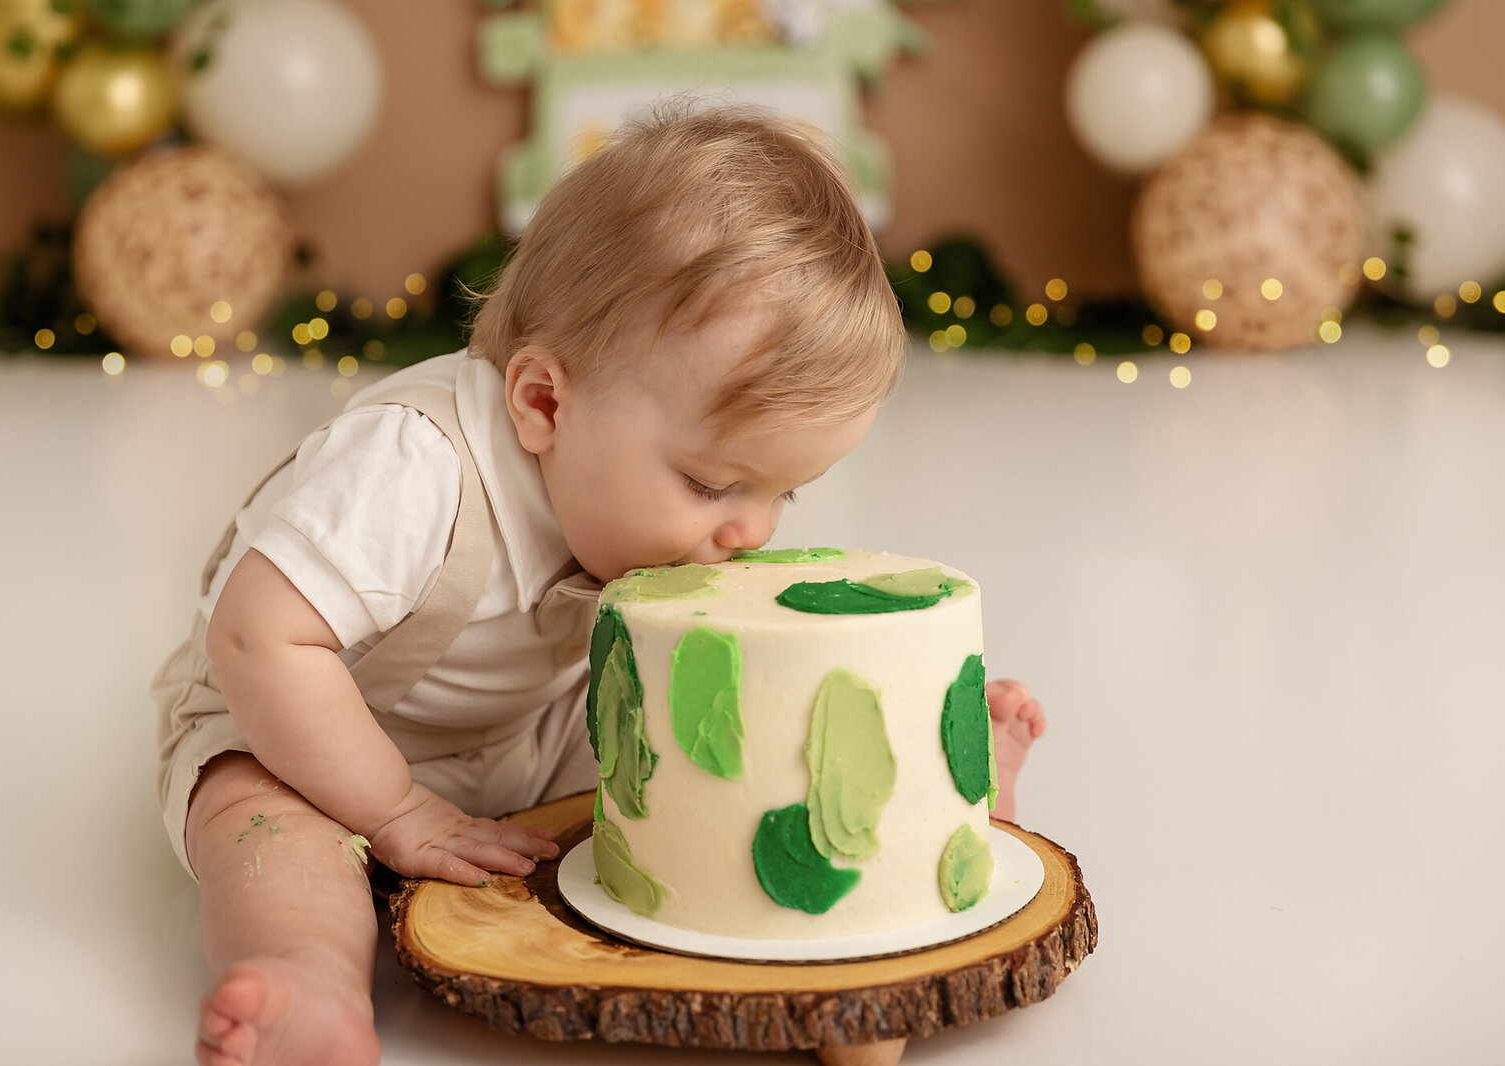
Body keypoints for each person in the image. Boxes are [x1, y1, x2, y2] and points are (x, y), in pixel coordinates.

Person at [152, 104, 1047, 1066]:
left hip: (518, 738)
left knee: (701, 784)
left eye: (783, 492)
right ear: (543, 402)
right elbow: (258, 637)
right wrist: (394, 810)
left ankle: (925, 824)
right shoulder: (414, 467)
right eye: (711, 484)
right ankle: (309, 984)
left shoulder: (639, 505)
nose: (746, 532)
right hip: (298, 732)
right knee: (282, 850)